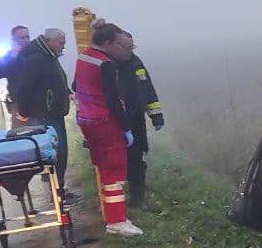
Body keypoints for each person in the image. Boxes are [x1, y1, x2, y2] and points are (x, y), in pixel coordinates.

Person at [74, 23, 142, 236]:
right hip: (105, 122)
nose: (121, 49)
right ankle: (117, 221)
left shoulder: (83, 57)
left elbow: (76, 86)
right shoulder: (105, 64)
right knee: (114, 172)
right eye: (119, 44)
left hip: (87, 120)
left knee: (105, 170)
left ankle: (115, 215)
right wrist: (126, 127)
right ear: (108, 43)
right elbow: (113, 100)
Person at [10, 28, 78, 203]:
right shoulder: (36, 59)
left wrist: (66, 91)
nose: (63, 46)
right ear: (50, 41)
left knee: (61, 152)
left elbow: (56, 79)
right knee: (56, 153)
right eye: (61, 43)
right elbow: (24, 86)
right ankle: (58, 193)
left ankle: (59, 189)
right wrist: (24, 111)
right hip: (45, 114)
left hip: (53, 112)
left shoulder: (48, 56)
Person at [110, 34, 165, 208]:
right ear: (116, 46)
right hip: (114, 122)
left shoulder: (136, 63)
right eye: (127, 48)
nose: (131, 51)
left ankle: (137, 199)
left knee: (136, 160)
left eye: (132, 47)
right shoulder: (106, 65)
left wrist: (156, 116)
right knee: (116, 161)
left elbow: (147, 89)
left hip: (135, 120)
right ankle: (115, 202)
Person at [0, 25, 31, 119]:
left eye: (27, 37)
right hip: (19, 104)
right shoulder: (8, 56)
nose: (26, 40)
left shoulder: (36, 54)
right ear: (13, 40)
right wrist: (12, 57)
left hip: (38, 104)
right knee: (21, 132)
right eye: (22, 38)